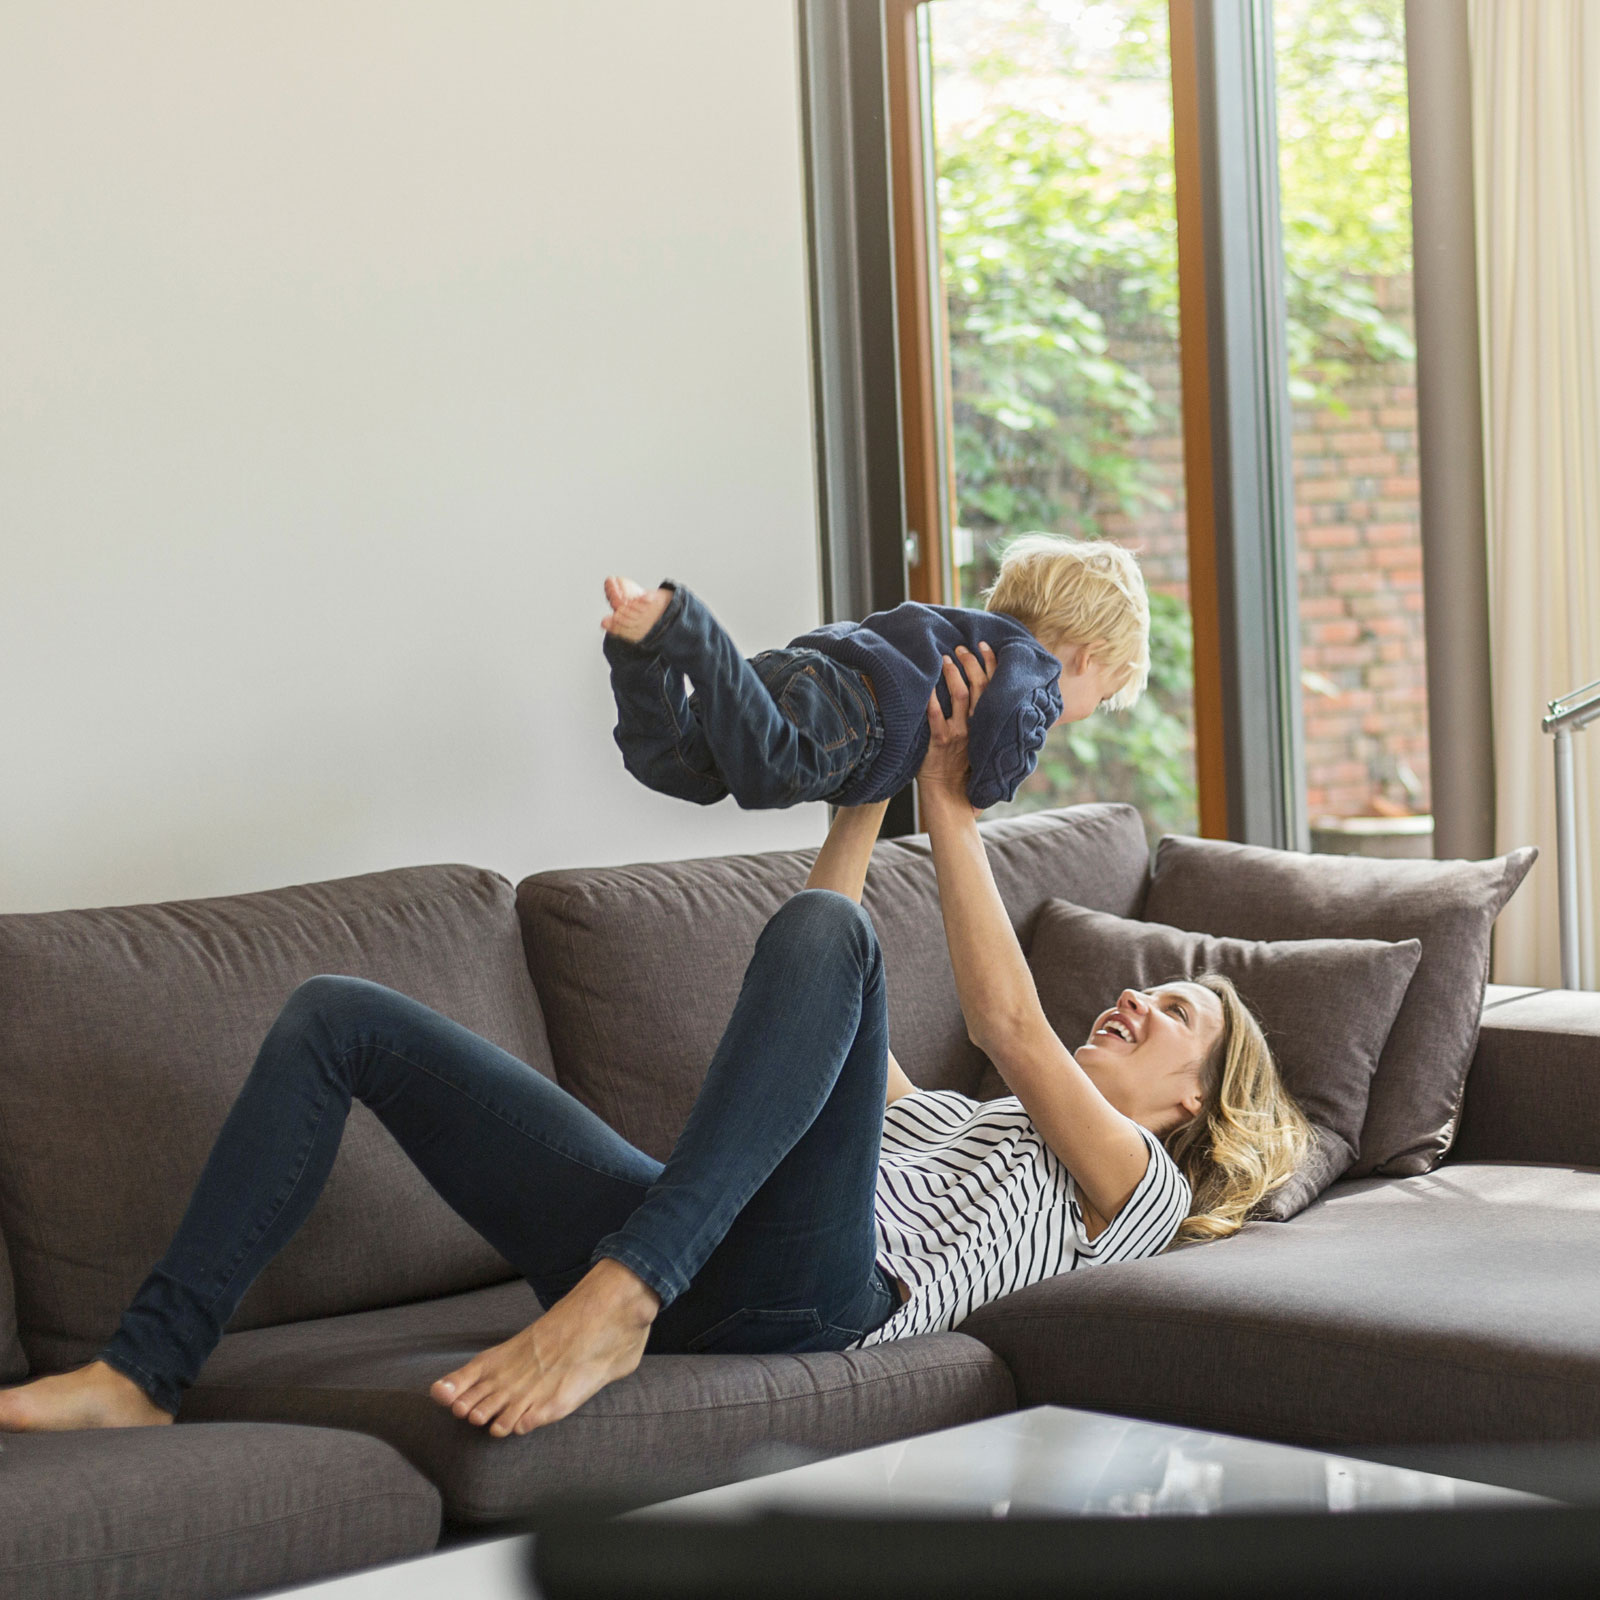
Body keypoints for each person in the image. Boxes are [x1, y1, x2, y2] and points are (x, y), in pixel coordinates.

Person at [0, 649, 1307, 1441]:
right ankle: (144, 1368)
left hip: (819, 1302)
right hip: (711, 1247)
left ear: (1192, 1107)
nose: (1138, 1001)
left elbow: (1006, 1024)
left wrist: (951, 805)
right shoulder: (965, 1122)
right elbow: (831, 1002)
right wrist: (872, 788)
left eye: (1177, 1016)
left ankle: (620, 1298)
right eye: (1150, 990)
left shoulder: (1134, 1190)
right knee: (339, 1012)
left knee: (835, 941)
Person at [601, 532, 1150, 813]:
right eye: (1102, 697)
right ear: (1087, 657)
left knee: (683, 768)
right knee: (773, 773)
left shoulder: (972, 633)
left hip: (806, 675)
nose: (1085, 711)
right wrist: (987, 787)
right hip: (853, 710)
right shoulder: (1035, 666)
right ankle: (689, 628)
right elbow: (1003, 740)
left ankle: (642, 648)